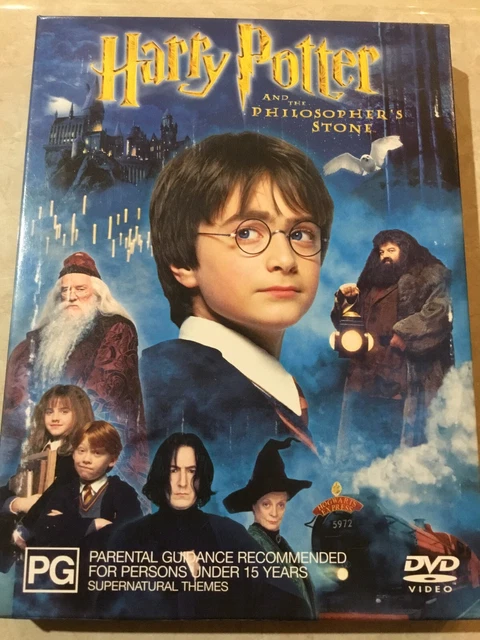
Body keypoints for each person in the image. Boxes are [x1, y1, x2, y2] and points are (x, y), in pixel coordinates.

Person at [141, 131, 334, 478]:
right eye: (246, 233)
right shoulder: (170, 392)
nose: (285, 259)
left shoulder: (258, 388)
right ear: (182, 261)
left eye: (301, 234)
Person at [104, 432, 314, 619]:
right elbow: (108, 610)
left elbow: (291, 603)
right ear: (162, 475)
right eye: (174, 470)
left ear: (201, 476)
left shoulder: (230, 535)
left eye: (191, 471)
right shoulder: (129, 536)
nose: (183, 482)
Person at [1, 251, 147, 489]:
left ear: (97, 294)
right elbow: (17, 399)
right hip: (42, 443)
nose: (71, 297)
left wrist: (61, 433)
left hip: (89, 445)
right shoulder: (37, 339)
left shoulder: (117, 329)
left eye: (80, 289)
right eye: (65, 291)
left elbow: (105, 394)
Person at [331, 229, 453, 462]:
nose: (385, 255)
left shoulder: (427, 278)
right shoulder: (370, 285)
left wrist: (406, 333)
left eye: (391, 250)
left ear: (404, 251)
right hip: (366, 377)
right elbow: (347, 326)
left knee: (398, 446)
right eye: (381, 251)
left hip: (401, 377)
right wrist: (346, 302)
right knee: (362, 443)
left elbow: (440, 314)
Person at [0, 385, 94, 571]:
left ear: (79, 414)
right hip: (25, 553)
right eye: (49, 411)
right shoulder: (35, 455)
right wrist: (17, 503)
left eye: (64, 411)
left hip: (62, 553)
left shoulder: (81, 459)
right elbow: (7, 491)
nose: (55, 418)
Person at [224, 438, 316, 618]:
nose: (275, 513)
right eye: (266, 504)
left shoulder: (280, 545)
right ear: (253, 506)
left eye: (281, 504)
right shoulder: (249, 547)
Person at [23, 420, 142, 548]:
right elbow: (41, 533)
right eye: (81, 450)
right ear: (73, 454)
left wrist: (64, 523)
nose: (86, 459)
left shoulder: (123, 493)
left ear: (112, 460)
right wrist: (94, 524)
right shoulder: (63, 491)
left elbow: (131, 536)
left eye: (97, 453)